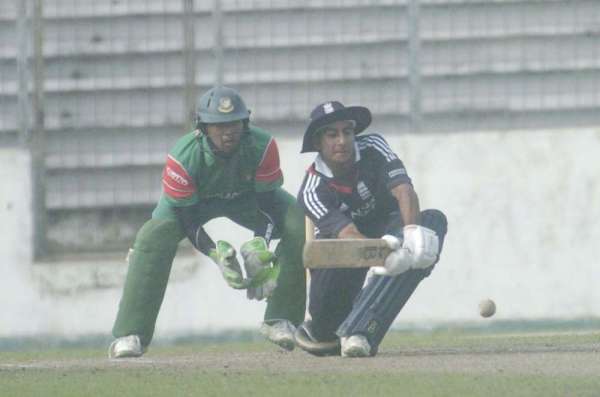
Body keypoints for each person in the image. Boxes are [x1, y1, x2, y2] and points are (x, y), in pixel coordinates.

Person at [108, 86, 306, 358]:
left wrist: (259, 244)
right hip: (193, 206)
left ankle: (281, 318)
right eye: (218, 125)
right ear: (203, 127)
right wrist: (216, 255)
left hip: (247, 199)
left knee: (298, 220)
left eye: (234, 123)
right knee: (153, 237)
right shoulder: (183, 156)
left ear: (245, 123)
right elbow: (188, 221)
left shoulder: (262, 145)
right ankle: (131, 333)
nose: (227, 132)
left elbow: (269, 204)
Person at [295, 101, 447, 357]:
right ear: (318, 143)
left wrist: (411, 234)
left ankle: (360, 332)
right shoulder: (311, 190)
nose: (342, 141)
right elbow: (350, 237)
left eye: (347, 132)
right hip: (342, 252)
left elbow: (404, 190)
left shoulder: (373, 146)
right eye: (332, 135)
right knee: (325, 330)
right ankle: (337, 328)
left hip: (389, 226)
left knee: (430, 225)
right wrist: (386, 253)